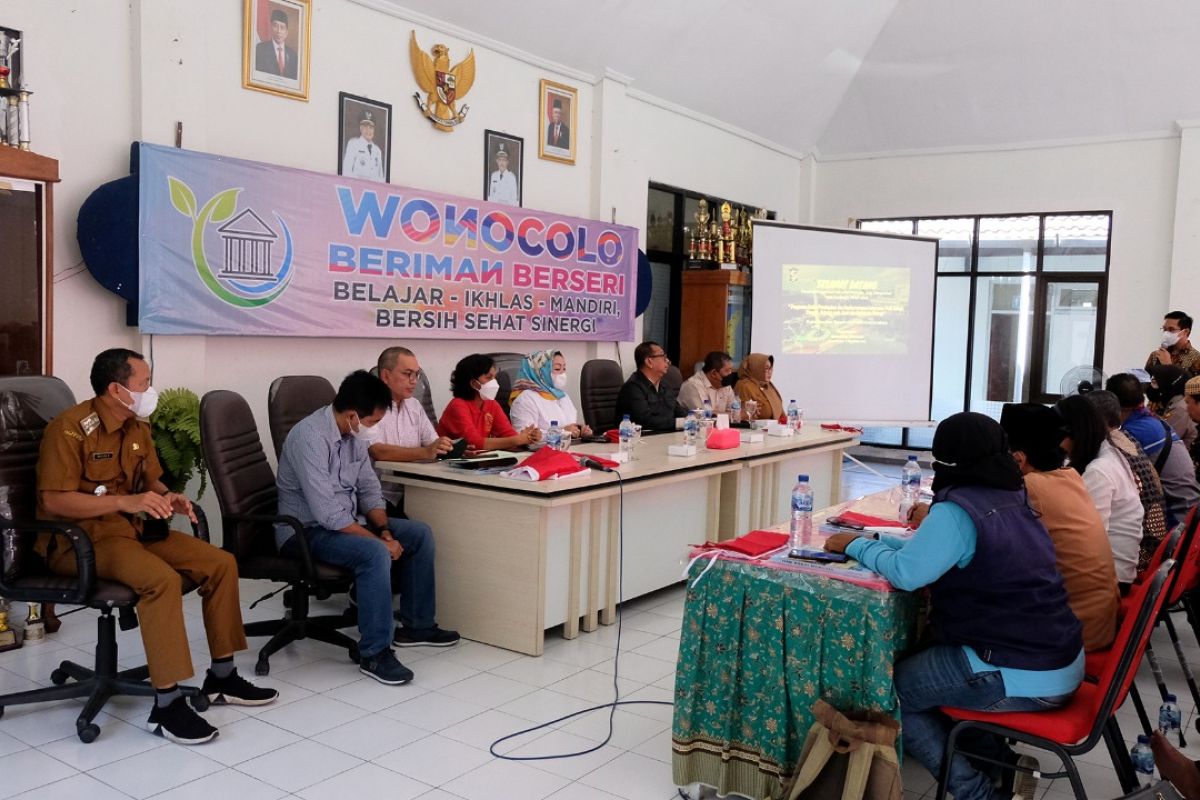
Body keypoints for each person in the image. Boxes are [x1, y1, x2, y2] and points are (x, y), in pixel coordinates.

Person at [824, 412, 1083, 800]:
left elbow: (908, 574)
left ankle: (973, 792)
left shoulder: (958, 509)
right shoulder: (1013, 496)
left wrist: (856, 545)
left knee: (892, 693)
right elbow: (933, 552)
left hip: (1015, 668)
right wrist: (881, 539)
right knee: (932, 674)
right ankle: (1000, 765)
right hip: (1056, 657)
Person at [37, 348, 277, 744]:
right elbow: (53, 500)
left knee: (219, 563)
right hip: (80, 541)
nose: (151, 391)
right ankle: (166, 706)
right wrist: (122, 502)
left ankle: (222, 677)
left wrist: (172, 495)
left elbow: (149, 479)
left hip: (131, 531)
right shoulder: (69, 429)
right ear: (117, 389)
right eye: (144, 383)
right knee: (161, 581)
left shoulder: (137, 427)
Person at [276, 371, 460, 687]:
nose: (373, 429)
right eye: (373, 422)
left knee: (418, 534)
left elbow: (369, 490)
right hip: (303, 532)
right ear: (352, 416)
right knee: (374, 552)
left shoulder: (353, 436)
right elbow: (328, 514)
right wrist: (379, 542)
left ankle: (418, 626)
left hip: (345, 522)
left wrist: (385, 531)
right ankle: (374, 652)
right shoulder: (310, 438)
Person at [999, 403, 1119, 652]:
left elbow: (984, 539)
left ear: (1018, 459)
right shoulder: (1070, 477)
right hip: (1098, 620)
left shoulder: (1030, 488)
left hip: (1071, 632)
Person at [1055, 394, 1146, 587]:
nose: (1057, 444)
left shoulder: (1099, 471)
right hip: (1115, 569)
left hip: (1109, 580)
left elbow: (1088, 541)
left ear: (1073, 432)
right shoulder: (1109, 452)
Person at [366, 346, 454, 516]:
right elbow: (377, 451)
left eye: (416, 374)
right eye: (407, 374)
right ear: (385, 376)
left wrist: (450, 448)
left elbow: (432, 443)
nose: (414, 381)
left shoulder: (414, 405)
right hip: (379, 496)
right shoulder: (369, 406)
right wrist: (426, 452)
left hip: (416, 489)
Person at [1105, 373, 1199, 527]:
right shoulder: (1155, 422)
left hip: (1176, 522)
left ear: (1113, 404)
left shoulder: (1133, 434)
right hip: (1191, 511)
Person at [437, 353, 541, 449]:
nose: (494, 382)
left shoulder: (491, 404)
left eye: (494, 377)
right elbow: (474, 443)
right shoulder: (458, 405)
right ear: (474, 383)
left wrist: (528, 437)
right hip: (445, 462)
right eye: (489, 377)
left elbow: (509, 436)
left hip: (477, 462)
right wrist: (517, 440)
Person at [508, 349, 592, 440]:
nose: (562, 373)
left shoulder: (562, 396)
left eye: (564, 368)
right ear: (540, 371)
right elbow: (524, 436)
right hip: (537, 452)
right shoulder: (525, 399)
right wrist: (562, 432)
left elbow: (568, 425)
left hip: (567, 448)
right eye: (557, 369)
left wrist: (579, 430)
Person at [615, 341, 686, 432]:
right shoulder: (632, 388)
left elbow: (679, 412)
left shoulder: (665, 385)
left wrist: (692, 419)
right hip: (640, 440)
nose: (668, 361)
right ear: (649, 362)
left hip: (664, 437)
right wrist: (679, 423)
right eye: (662, 356)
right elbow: (645, 421)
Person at [1148, 363, 1197, 449]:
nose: (1153, 387)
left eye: (1157, 382)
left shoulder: (1180, 408)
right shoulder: (1175, 402)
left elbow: (1162, 440)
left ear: (1169, 383)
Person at [1147, 311, 1200, 376]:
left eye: (1171, 329)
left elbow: (1193, 385)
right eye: (1164, 329)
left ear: (1185, 332)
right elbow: (1145, 382)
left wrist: (1169, 367)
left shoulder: (1196, 358)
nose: (1166, 333)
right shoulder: (1155, 355)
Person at [734, 353, 784, 422]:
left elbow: (781, 412)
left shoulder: (768, 385)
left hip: (774, 429)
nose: (769, 372)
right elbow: (742, 416)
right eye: (766, 368)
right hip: (753, 431)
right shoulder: (744, 386)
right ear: (756, 368)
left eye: (771, 368)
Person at [254, 8, 298, 79]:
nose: (279, 31)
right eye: (275, 26)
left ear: (287, 32)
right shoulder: (260, 49)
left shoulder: (293, 55)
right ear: (271, 28)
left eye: (282, 27)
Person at [341, 110, 385, 181]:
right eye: (365, 127)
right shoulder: (353, 144)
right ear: (360, 128)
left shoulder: (377, 150)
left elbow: (381, 178)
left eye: (371, 128)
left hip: (374, 190)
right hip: (357, 187)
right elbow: (346, 171)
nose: (368, 131)